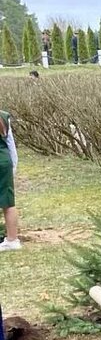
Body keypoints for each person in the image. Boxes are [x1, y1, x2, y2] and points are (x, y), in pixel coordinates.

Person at [0, 107, 21, 251]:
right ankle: (12, 239)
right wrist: (13, 167)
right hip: (4, 162)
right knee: (8, 201)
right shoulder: (3, 116)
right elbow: (10, 144)